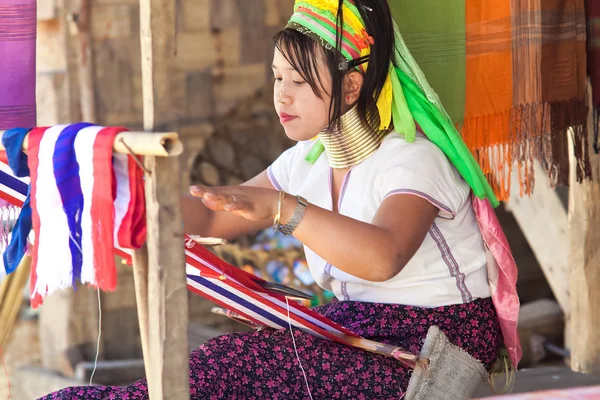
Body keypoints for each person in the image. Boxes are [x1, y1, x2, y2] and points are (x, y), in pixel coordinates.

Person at [42, 1, 516, 398]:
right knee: (228, 363)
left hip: (433, 348)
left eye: (300, 82)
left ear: (351, 85)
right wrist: (123, 195)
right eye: (276, 78)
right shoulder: (303, 163)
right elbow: (213, 213)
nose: (282, 97)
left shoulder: (412, 159)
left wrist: (283, 210)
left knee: (231, 364)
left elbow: (383, 256)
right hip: (359, 333)